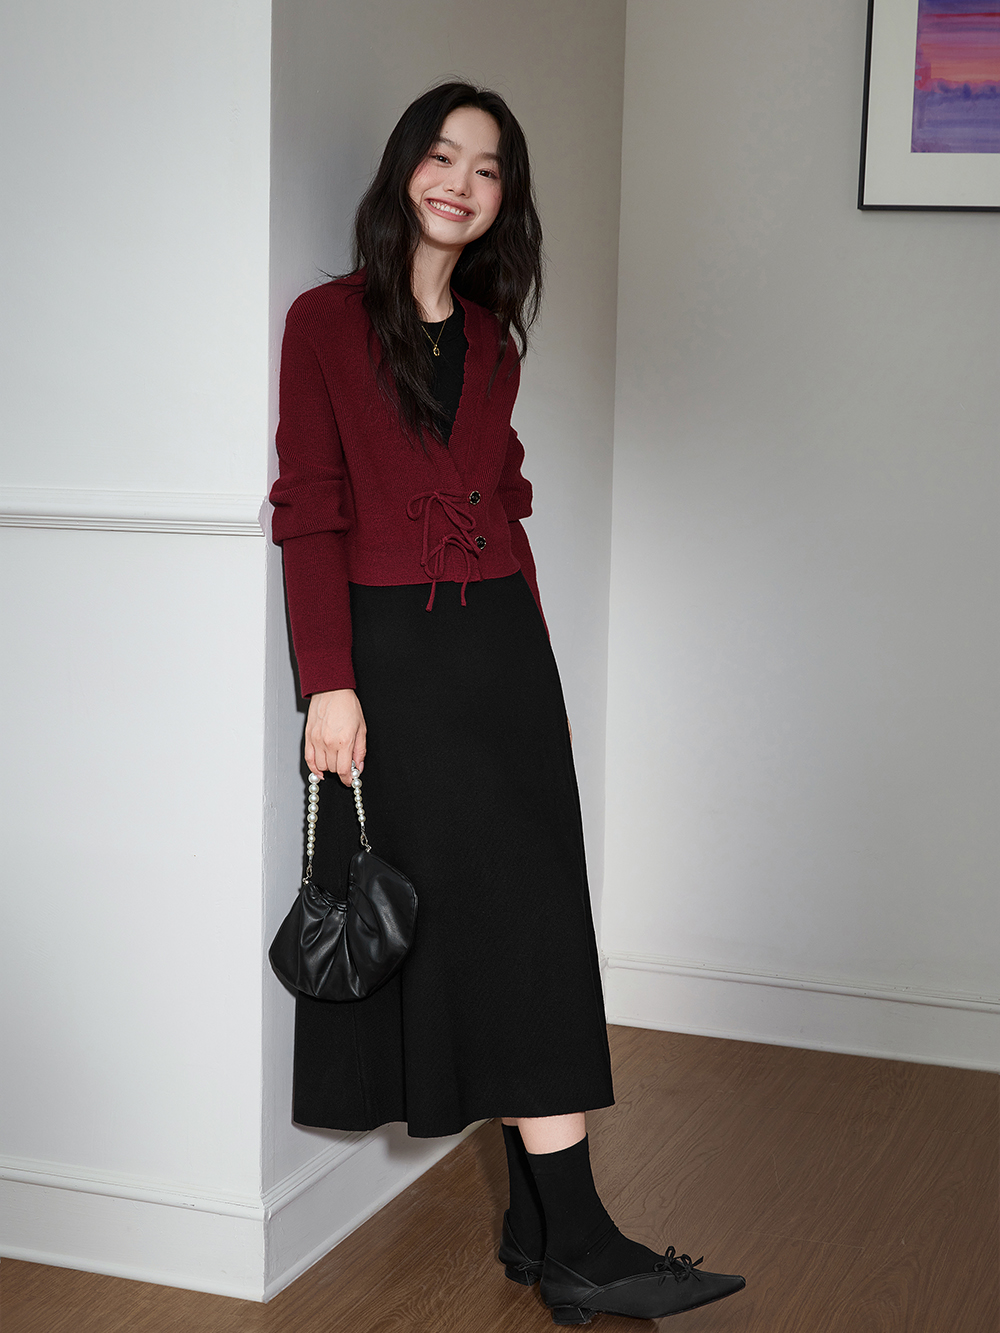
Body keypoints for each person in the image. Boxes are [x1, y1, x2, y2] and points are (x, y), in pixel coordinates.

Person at [269, 81, 745, 1325]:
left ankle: (549, 1227)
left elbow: (502, 498)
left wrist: (537, 662)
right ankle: (573, 1237)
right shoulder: (323, 323)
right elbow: (311, 506)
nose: (460, 184)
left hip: (500, 659)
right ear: (404, 171)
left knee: (539, 920)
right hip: (392, 665)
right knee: (478, 933)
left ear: (501, 202)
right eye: (442, 157)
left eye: (486, 170)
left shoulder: (493, 343)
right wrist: (328, 679)